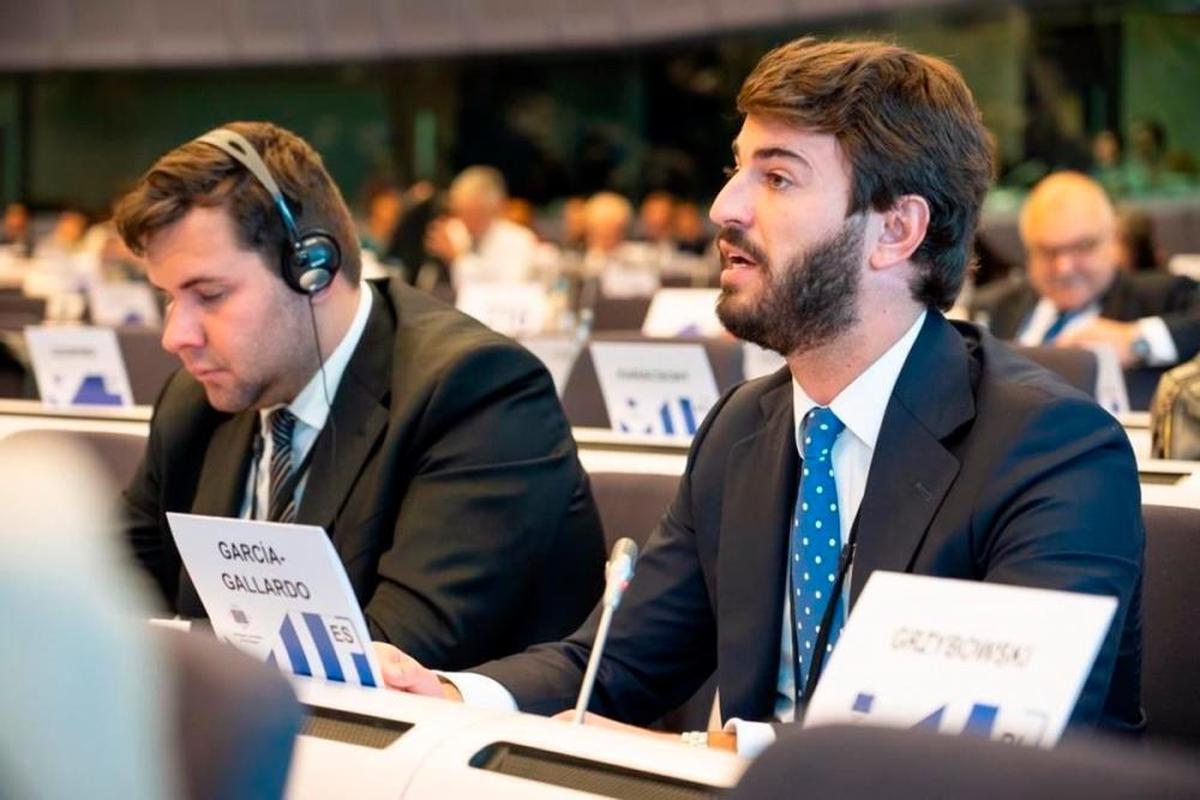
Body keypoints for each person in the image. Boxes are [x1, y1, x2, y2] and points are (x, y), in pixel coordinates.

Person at [376, 39, 1144, 754]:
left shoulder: (1050, 450)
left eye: (776, 178)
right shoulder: (745, 427)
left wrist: (718, 751)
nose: (725, 208)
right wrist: (453, 692)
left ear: (896, 229)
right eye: (736, 169)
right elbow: (617, 663)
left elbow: (988, 751)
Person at [114, 121, 606, 671]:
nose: (176, 335)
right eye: (168, 299)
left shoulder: (479, 394)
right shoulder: (195, 402)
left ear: (312, 269)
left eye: (209, 295)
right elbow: (104, 591)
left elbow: (383, 662)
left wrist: (169, 646)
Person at [973, 171, 1199, 367]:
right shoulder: (997, 306)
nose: (1064, 268)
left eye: (1081, 247)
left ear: (1113, 240)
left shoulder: (1161, 297)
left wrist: (1137, 343)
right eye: (1048, 251)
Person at [423, 165, 539, 288]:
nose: (465, 220)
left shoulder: (519, 240)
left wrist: (458, 260)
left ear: (495, 209)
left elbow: (507, 289)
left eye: (473, 213)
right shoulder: (454, 233)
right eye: (460, 212)